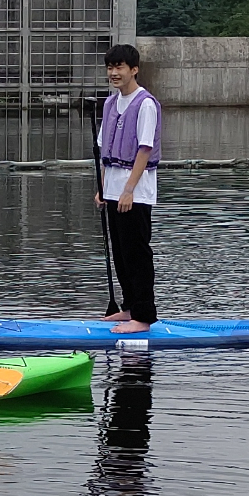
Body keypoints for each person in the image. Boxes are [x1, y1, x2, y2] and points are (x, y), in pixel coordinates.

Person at [94, 44, 160, 335]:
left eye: (119, 67)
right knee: (120, 252)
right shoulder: (110, 104)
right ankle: (129, 307)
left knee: (136, 253)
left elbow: (144, 150)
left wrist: (129, 190)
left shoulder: (145, 103)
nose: (113, 73)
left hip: (136, 191)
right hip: (114, 189)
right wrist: (104, 187)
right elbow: (104, 150)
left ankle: (144, 316)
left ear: (134, 69)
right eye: (110, 67)